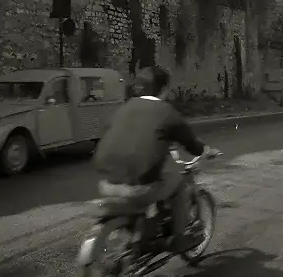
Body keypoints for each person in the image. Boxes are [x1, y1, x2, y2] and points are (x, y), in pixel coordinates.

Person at [93, 66, 217, 252]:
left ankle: (145, 227)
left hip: (106, 183)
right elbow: (191, 144)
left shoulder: (123, 109)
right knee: (179, 180)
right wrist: (206, 150)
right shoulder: (166, 112)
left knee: (155, 175)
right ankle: (179, 236)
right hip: (139, 189)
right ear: (164, 89)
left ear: (139, 88)